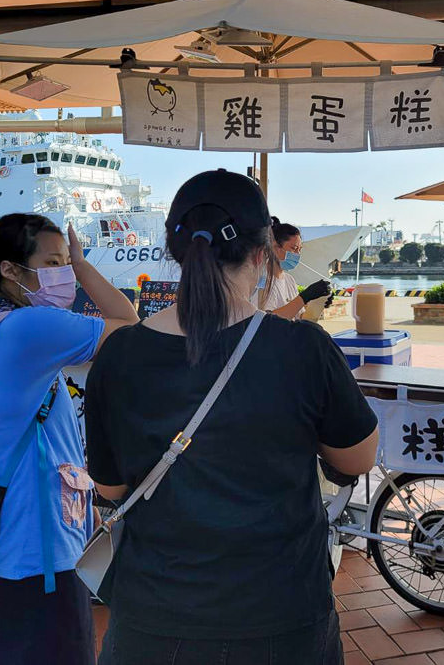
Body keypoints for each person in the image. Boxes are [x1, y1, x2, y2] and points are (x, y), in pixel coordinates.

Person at [85, 170, 379, 665]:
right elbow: (358, 456)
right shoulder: (303, 348)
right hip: (282, 618)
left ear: (174, 250)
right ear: (265, 253)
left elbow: (111, 490)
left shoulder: (119, 355)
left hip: (154, 620)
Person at [0, 214, 138, 665]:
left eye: (66, 262)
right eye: (53, 262)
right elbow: (128, 325)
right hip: (35, 550)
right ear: (10, 270)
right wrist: (83, 264)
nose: (64, 274)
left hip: (8, 543)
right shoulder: (29, 327)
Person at [261, 217, 333, 320]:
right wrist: (304, 297)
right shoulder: (262, 281)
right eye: (294, 248)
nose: (297, 254)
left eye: (299, 249)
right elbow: (266, 321)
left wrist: (317, 303)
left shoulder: (289, 280)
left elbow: (300, 319)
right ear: (275, 248)